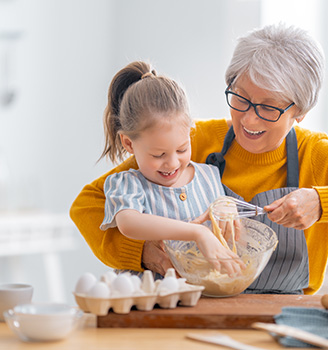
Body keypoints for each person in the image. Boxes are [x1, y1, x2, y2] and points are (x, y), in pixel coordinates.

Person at [71, 23, 328, 295]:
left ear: (300, 111)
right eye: (240, 99)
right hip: (192, 305)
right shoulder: (193, 142)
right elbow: (87, 205)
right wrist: (143, 252)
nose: (249, 119)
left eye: (269, 108)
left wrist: (322, 202)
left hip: (284, 316)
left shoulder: (317, 158)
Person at [97, 61, 244, 276]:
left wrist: (227, 207)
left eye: (182, 149)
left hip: (201, 299)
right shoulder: (126, 184)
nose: (173, 163)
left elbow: (226, 218)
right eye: (159, 155)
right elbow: (130, 223)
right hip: (147, 303)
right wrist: (197, 233)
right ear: (128, 144)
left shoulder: (210, 176)